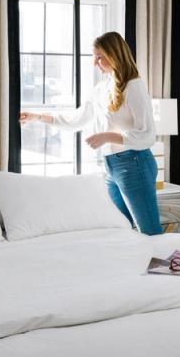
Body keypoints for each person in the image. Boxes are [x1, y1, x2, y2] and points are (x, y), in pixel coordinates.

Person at [19, 31, 163, 235]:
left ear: (115, 55)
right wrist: (38, 116)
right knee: (122, 230)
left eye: (100, 57)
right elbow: (76, 119)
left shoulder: (134, 86)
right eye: (94, 57)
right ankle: (134, 267)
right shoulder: (101, 88)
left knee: (149, 231)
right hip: (111, 166)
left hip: (134, 163)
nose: (95, 63)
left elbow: (147, 134)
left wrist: (107, 136)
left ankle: (165, 264)